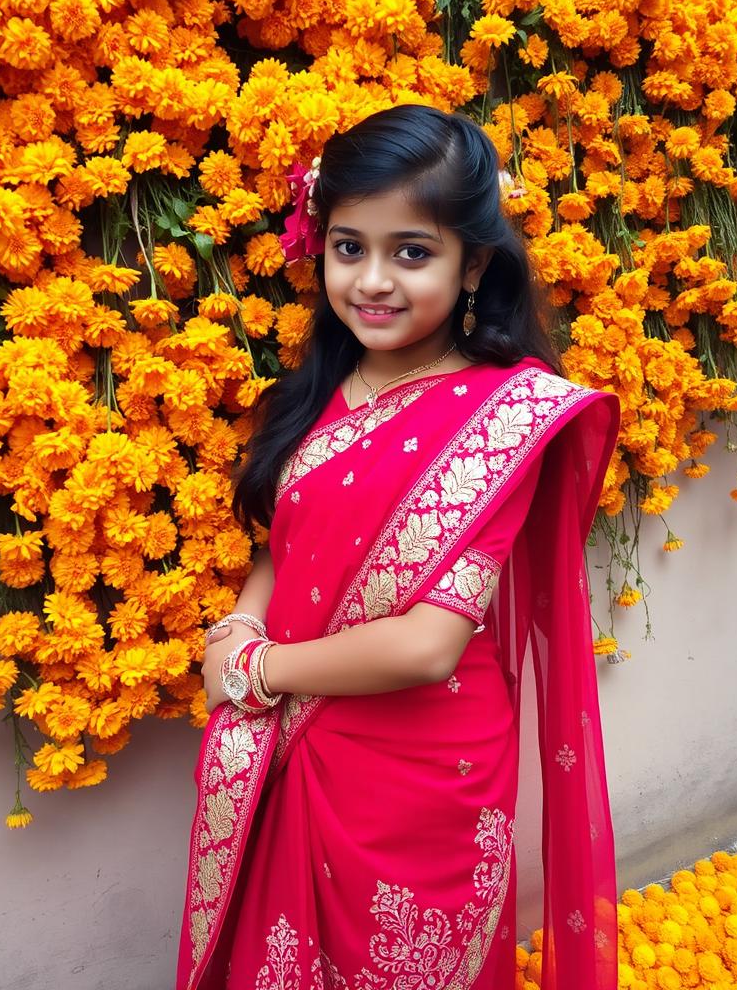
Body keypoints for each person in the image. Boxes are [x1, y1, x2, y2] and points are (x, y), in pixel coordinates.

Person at [175, 104, 621, 990]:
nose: (373, 281)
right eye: (350, 247)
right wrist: (239, 621)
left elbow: (427, 644)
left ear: (473, 265)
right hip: (291, 751)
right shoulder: (320, 388)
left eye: (411, 252)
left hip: (420, 781)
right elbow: (284, 539)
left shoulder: (502, 419)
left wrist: (256, 672)